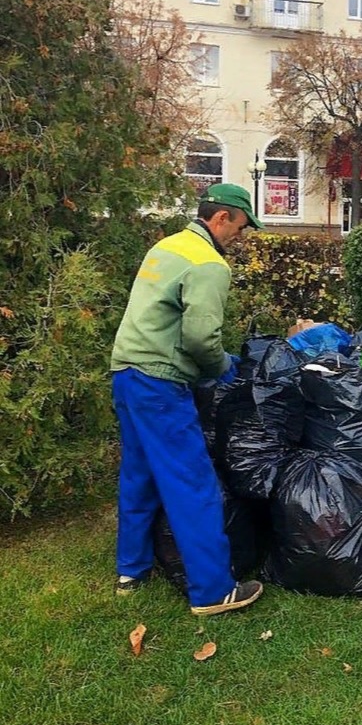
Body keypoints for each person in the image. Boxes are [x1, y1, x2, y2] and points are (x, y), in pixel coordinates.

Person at [110, 183, 266, 616]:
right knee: (192, 483)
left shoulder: (167, 246)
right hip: (160, 383)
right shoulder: (209, 263)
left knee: (139, 473)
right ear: (220, 219)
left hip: (126, 371)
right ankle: (214, 591)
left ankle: (131, 569)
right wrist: (222, 369)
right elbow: (200, 338)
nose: (241, 235)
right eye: (240, 226)